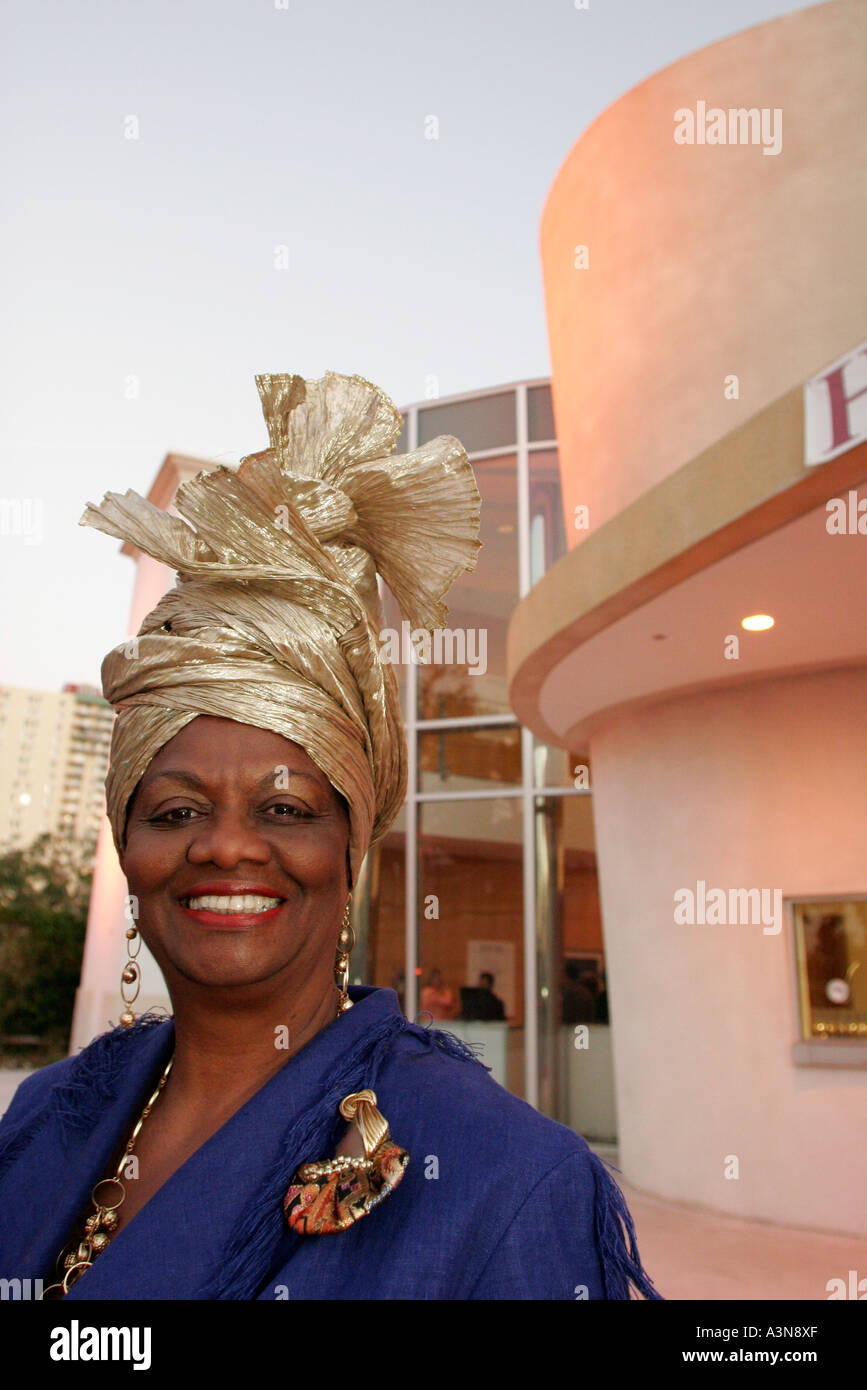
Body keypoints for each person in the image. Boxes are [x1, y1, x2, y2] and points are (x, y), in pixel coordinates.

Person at [0, 370, 659, 1300]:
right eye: (177, 811)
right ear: (127, 846)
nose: (226, 847)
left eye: (283, 809)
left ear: (351, 847)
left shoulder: (502, 1179)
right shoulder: (45, 1116)